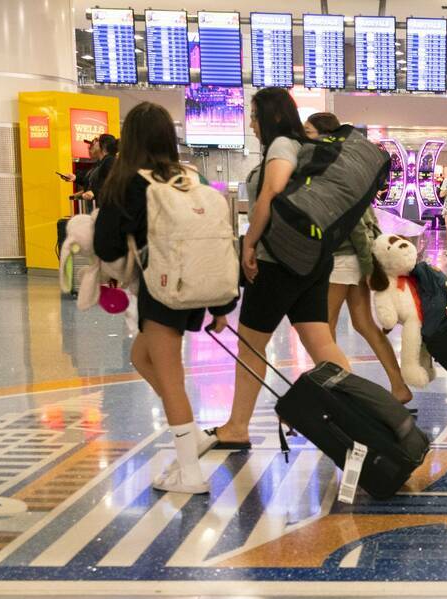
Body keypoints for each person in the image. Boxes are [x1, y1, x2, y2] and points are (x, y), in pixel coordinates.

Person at [93, 103, 237, 494]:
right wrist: (221, 306)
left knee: (171, 380)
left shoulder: (128, 181)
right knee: (140, 356)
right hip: (196, 288)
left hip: (161, 291)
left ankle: (190, 471)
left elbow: (105, 245)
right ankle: (191, 435)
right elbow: (211, 242)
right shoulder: (190, 178)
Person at [211, 88, 363, 449]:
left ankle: (236, 427)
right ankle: (363, 414)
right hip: (310, 262)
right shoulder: (304, 148)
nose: (251, 123)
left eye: (253, 115)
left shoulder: (282, 146)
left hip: (277, 262)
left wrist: (249, 242)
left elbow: (271, 193)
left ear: (272, 116)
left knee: (251, 346)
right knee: (322, 344)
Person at [304, 112, 412, 405]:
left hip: (341, 259)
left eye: (309, 131)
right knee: (364, 323)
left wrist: (367, 266)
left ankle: (331, 393)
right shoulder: (345, 167)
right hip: (352, 258)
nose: (305, 137)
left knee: (323, 329)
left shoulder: (329, 170)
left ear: (325, 136)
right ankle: (398, 385)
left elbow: (351, 223)